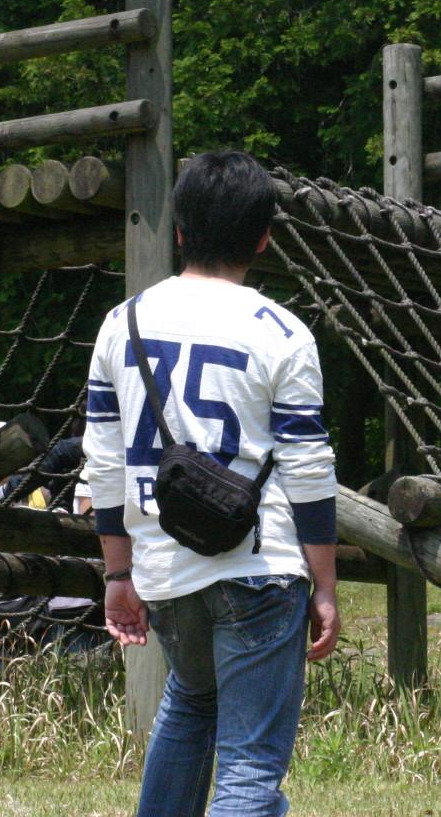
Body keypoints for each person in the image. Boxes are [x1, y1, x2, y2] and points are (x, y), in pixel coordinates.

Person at [85, 150, 341, 817]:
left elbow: (104, 463)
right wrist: (327, 585)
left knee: (191, 702)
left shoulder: (123, 324)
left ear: (178, 231)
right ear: (263, 237)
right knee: (250, 765)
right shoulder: (284, 333)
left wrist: (118, 575)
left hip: (165, 568)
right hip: (260, 564)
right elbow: (309, 470)